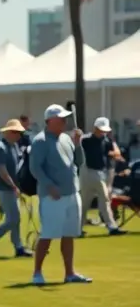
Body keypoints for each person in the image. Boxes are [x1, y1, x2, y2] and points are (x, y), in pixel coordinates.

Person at [29, 104, 90, 286]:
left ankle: (70, 273)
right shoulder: (40, 141)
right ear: (50, 121)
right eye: (61, 118)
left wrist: (78, 144)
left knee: (69, 234)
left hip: (72, 192)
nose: (65, 121)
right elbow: (35, 168)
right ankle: (37, 272)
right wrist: (49, 186)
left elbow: (79, 162)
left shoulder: (66, 138)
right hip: (52, 196)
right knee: (48, 234)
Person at [0, 120, 31, 258]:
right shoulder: (0, 148)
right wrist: (13, 185)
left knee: (15, 218)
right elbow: (1, 170)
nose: (18, 135)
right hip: (4, 188)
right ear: (8, 132)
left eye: (19, 133)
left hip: (12, 188)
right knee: (13, 218)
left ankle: (18, 247)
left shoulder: (13, 146)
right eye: (15, 132)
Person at [79, 117, 126, 236]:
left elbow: (115, 152)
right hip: (87, 171)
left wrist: (113, 151)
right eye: (101, 129)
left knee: (103, 200)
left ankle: (111, 226)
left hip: (99, 173)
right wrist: (76, 136)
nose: (103, 132)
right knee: (86, 202)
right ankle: (110, 226)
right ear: (95, 128)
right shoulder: (86, 139)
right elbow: (76, 144)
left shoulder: (106, 140)